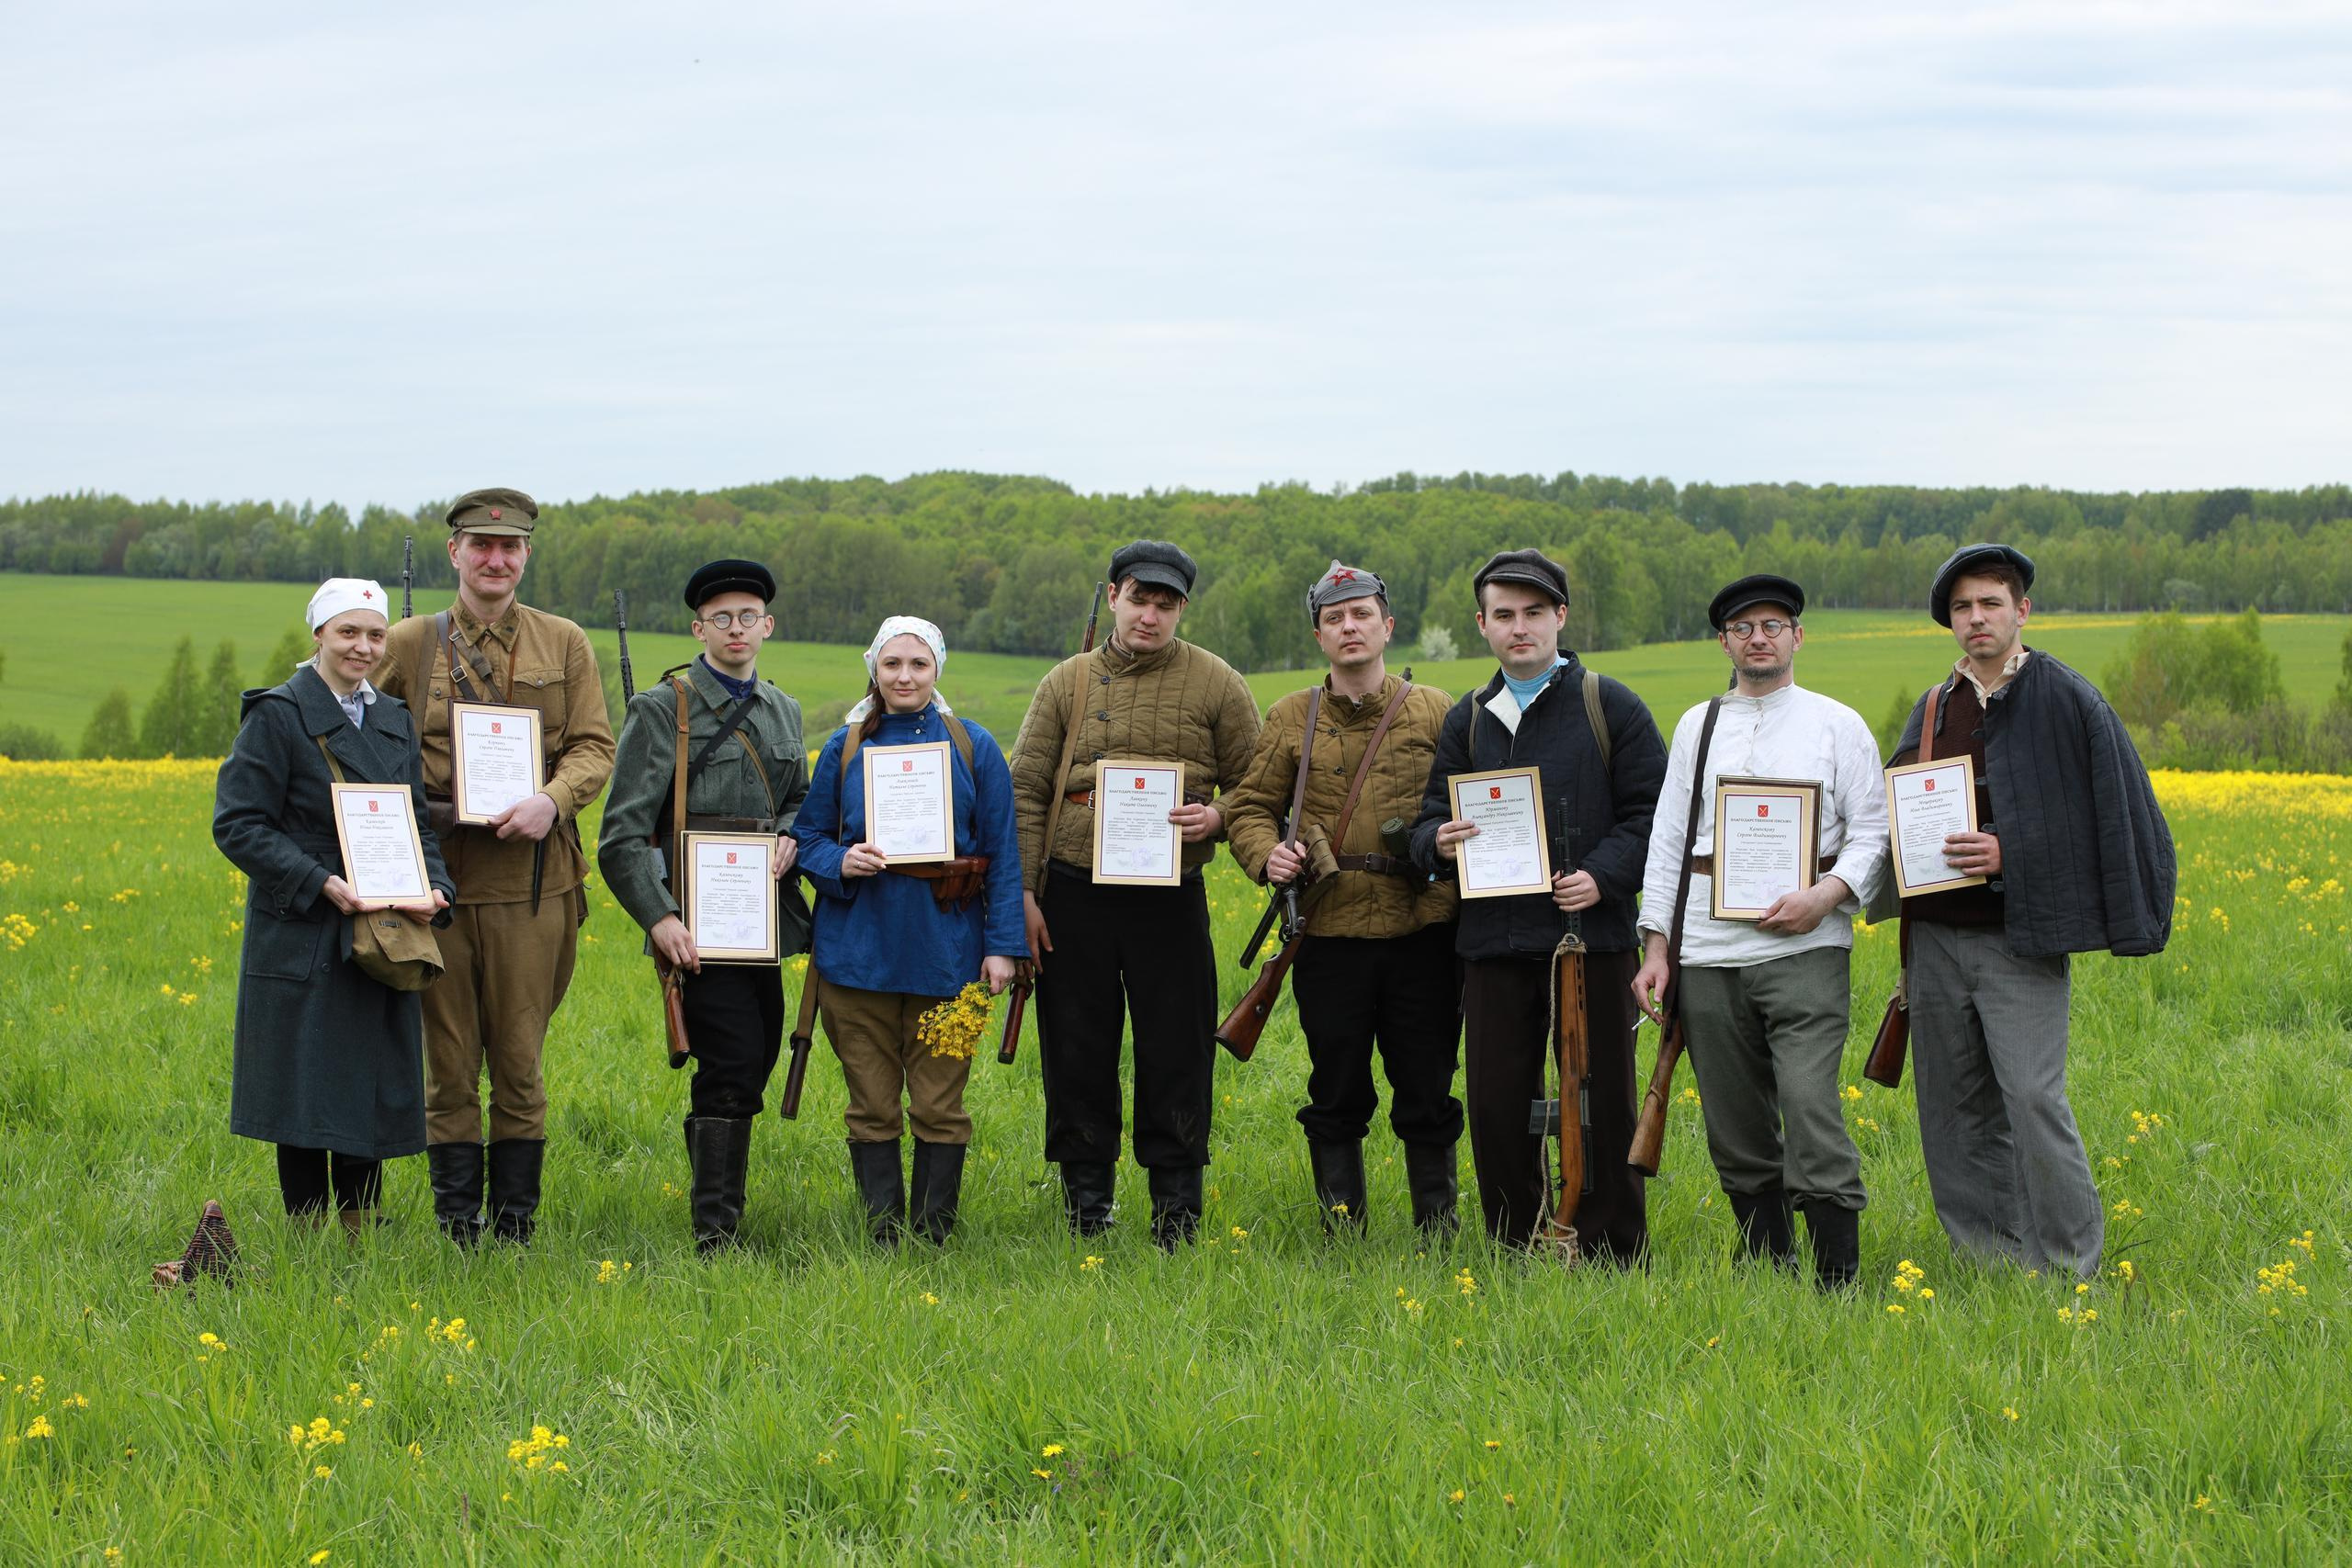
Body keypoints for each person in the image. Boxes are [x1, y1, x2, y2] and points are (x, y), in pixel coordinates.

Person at [1878, 544, 2174, 1280]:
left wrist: (2012, 854)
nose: (1976, 618)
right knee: (1950, 1114)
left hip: (2021, 940)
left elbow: (2112, 819)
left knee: (2035, 1101)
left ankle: (2073, 1265)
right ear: (1950, 621)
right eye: (1962, 608)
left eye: (1990, 603)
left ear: (2022, 610)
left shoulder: (2068, 698)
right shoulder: (1933, 708)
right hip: (1936, 944)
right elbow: (1890, 812)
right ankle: (1991, 1264)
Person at [1630, 575, 1888, 1289]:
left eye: (1773, 624)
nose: (1759, 637)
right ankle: (1768, 1261)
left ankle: (1838, 1277)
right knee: (1734, 1121)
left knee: (1810, 1106)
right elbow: (1670, 840)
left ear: (1798, 636)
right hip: (1708, 953)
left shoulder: (1838, 724)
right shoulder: (1697, 725)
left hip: (1807, 948)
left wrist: (1827, 895)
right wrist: (1657, 946)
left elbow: (1872, 831)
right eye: (1743, 628)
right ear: (1725, 642)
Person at [1410, 548, 1666, 1258]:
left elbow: (1656, 815)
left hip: (1591, 937)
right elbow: (1427, 820)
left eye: (1532, 613)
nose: (1518, 628)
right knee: (1495, 1105)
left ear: (1559, 616)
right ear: (1483, 625)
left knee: (1603, 1099)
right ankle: (1513, 1244)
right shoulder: (1466, 718)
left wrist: (1604, 876)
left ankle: (1612, 1246)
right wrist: (1441, 841)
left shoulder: (1609, 705)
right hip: (1492, 942)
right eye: (1502, 616)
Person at [377, 488, 616, 1246]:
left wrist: (553, 799)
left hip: (533, 886)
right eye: (480, 544)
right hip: (436, 884)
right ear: (455, 553)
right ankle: (457, 1228)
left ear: (526, 557)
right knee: (448, 1067)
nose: (494, 558)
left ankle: (514, 1228)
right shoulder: (409, 643)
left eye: (509, 547)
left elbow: (593, 747)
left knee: (519, 1062)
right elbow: (358, 735)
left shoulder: (564, 641)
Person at [1006, 540, 1261, 1247]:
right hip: (1073, 892)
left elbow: (1258, 787)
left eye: (1166, 603)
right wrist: (1024, 893)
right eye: (1139, 597)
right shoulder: (1067, 682)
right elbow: (1026, 788)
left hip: (1169, 892)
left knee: (1176, 1049)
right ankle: (1088, 1207)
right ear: (1113, 595)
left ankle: (1175, 1213)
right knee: (1078, 1050)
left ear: (1181, 607)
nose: (1150, 614)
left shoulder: (1218, 684)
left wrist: (1217, 817)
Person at [1225, 561, 1464, 1236]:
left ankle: (1438, 1230)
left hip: (1422, 929)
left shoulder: (1437, 709)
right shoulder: (1290, 716)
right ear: (1319, 635)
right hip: (1327, 935)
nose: (1350, 626)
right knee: (1335, 1088)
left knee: (1427, 1083)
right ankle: (1343, 1232)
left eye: (1362, 614)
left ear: (1388, 626)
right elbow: (1248, 808)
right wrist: (1263, 855)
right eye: (1336, 617)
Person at [213, 578, 453, 1234]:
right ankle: (308, 1230)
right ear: (318, 633)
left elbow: (416, 824)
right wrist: (319, 880)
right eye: (348, 632)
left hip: (384, 923)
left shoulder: (392, 718)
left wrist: (438, 888)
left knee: (365, 1078)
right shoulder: (278, 713)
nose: (363, 646)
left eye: (375, 634)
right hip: (304, 925)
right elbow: (237, 824)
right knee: (304, 1081)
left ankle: (360, 1225)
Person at [598, 559, 811, 1252]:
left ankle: (715, 1187)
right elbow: (622, 833)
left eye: (749, 616)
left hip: (763, 925)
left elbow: (798, 803)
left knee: (755, 1058)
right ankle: (716, 1230)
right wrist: (660, 918)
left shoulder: (783, 710)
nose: (737, 628)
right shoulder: (663, 709)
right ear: (699, 628)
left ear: (768, 625)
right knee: (728, 1064)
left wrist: (790, 837)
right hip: (694, 928)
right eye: (721, 617)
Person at [791, 616, 1025, 1246]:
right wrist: (840, 860)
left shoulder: (975, 746)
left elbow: (1004, 854)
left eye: (918, 664)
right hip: (856, 954)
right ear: (874, 667)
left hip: (947, 952)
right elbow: (806, 837)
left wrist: (1003, 946)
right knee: (870, 1104)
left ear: (937, 670)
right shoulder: (843, 749)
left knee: (939, 1105)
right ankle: (883, 1234)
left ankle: (933, 1235)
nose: (904, 676)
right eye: (892, 663)